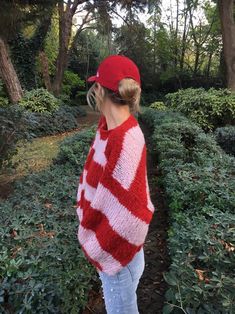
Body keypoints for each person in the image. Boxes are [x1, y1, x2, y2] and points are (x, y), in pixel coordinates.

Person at [76, 54, 155, 314]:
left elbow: (130, 214)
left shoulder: (125, 140)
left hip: (119, 257)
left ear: (100, 90)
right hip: (122, 256)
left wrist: (101, 245)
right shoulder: (109, 129)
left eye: (95, 85)